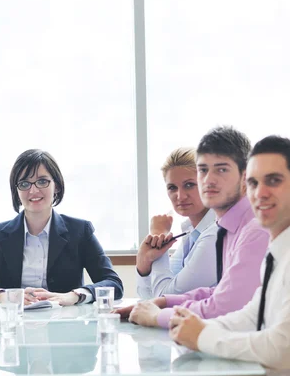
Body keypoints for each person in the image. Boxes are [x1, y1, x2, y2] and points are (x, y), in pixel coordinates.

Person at [115, 126, 268, 328]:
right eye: (203, 171)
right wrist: (163, 301)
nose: (209, 181)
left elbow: (226, 306)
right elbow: (219, 292)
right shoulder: (223, 228)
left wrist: (158, 314)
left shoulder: (254, 228)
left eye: (222, 170)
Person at [169, 135, 290, 370]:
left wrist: (203, 337)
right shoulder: (276, 252)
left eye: (273, 180)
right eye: (253, 183)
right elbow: (253, 315)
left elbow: (283, 349)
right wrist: (199, 329)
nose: (260, 193)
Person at [0, 149, 123, 306]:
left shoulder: (80, 231)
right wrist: (6, 297)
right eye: (24, 183)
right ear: (16, 191)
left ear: (57, 186)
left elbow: (113, 283)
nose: (33, 190)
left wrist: (73, 296)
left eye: (42, 181)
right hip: (14, 323)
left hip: (65, 324)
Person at [136, 147, 217, 299]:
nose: (180, 196)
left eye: (189, 185)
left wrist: (159, 237)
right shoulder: (191, 233)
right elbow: (147, 299)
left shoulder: (216, 234)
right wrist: (143, 261)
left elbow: (165, 298)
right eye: (172, 187)